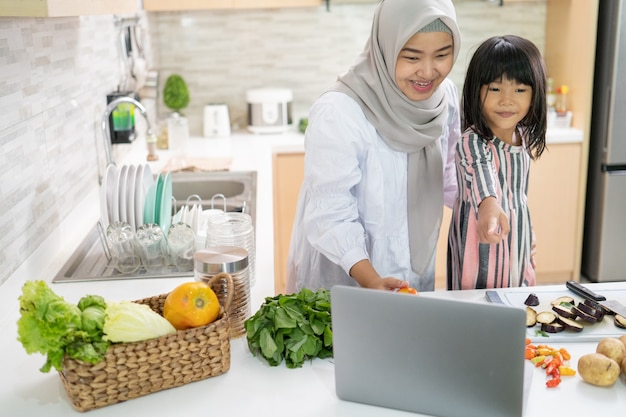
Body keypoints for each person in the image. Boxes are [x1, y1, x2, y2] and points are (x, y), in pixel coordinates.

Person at [285, 0, 462, 294]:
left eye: (442, 55)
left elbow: (449, 175)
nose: (428, 72)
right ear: (386, 47)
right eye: (412, 57)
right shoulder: (340, 112)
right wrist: (371, 280)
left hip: (410, 278)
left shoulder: (446, 98)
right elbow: (331, 214)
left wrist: (485, 206)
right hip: (348, 278)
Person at [447, 35, 547, 290]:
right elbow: (481, 172)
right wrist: (489, 205)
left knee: (517, 308)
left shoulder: (521, 139)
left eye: (519, 90)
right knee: (479, 316)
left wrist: (528, 234)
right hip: (481, 249)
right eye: (495, 89)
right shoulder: (473, 141)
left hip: (517, 246)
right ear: (476, 90)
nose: (507, 100)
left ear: (535, 94)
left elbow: (519, 197)